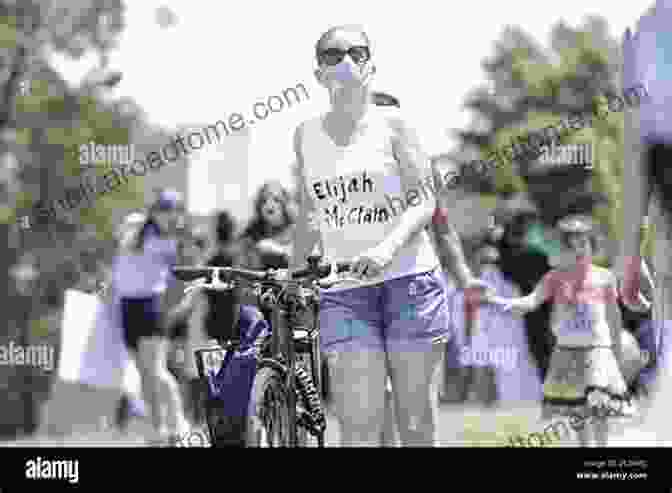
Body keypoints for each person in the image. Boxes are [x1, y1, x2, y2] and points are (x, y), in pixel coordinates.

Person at [287, 25, 485, 446]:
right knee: (359, 429)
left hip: (409, 285)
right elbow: (308, 215)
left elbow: (424, 202)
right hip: (344, 292)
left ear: (370, 66)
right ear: (318, 73)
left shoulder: (397, 125)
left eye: (355, 53)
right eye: (331, 54)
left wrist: (386, 248)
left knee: (415, 427)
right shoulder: (305, 134)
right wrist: (292, 277)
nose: (344, 61)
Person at [485, 215, 643, 446]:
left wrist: (616, 349)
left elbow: (614, 316)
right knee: (578, 410)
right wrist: (500, 302)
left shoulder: (604, 278)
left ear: (592, 246)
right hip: (568, 353)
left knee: (598, 407)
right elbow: (531, 301)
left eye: (583, 244)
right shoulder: (553, 276)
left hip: (597, 352)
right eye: (570, 245)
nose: (578, 251)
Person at [109, 189, 190, 445]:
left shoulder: (171, 240)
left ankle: (178, 423)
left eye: (173, 212)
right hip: (127, 306)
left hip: (150, 306)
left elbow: (176, 265)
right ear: (155, 212)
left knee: (155, 371)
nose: (168, 217)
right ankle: (158, 429)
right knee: (145, 374)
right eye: (164, 211)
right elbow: (122, 239)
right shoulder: (136, 225)